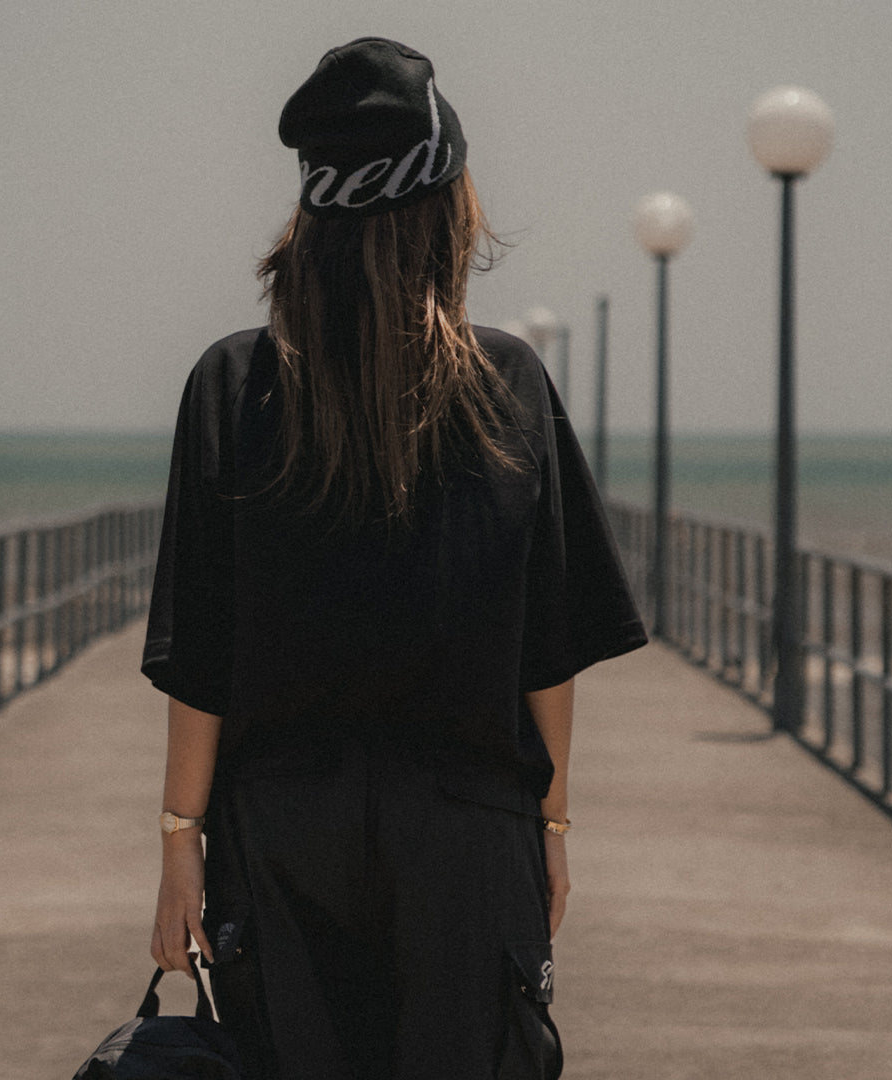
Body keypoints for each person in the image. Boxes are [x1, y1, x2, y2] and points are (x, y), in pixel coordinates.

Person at [141, 37, 646, 1080]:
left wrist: (178, 840)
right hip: (466, 829)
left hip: (280, 829)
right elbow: (546, 647)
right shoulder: (505, 382)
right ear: (447, 210)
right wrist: (553, 823)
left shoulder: (232, 385)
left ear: (312, 217)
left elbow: (202, 655)